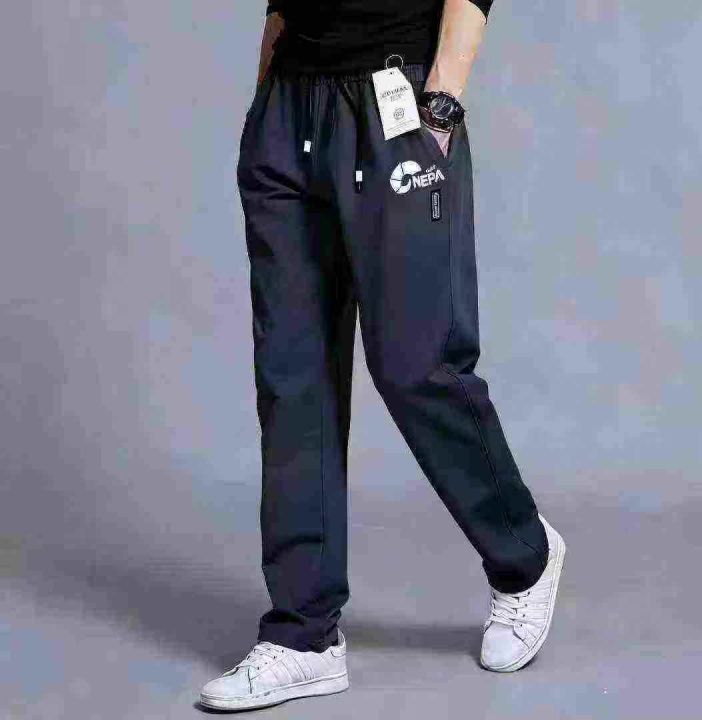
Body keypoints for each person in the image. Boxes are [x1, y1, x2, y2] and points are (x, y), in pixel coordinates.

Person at [199, 0, 566, 710]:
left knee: (417, 365)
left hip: (393, 102)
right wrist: (264, 100)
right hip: (288, 110)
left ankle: (525, 555)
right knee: (292, 376)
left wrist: (441, 107)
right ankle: (303, 636)